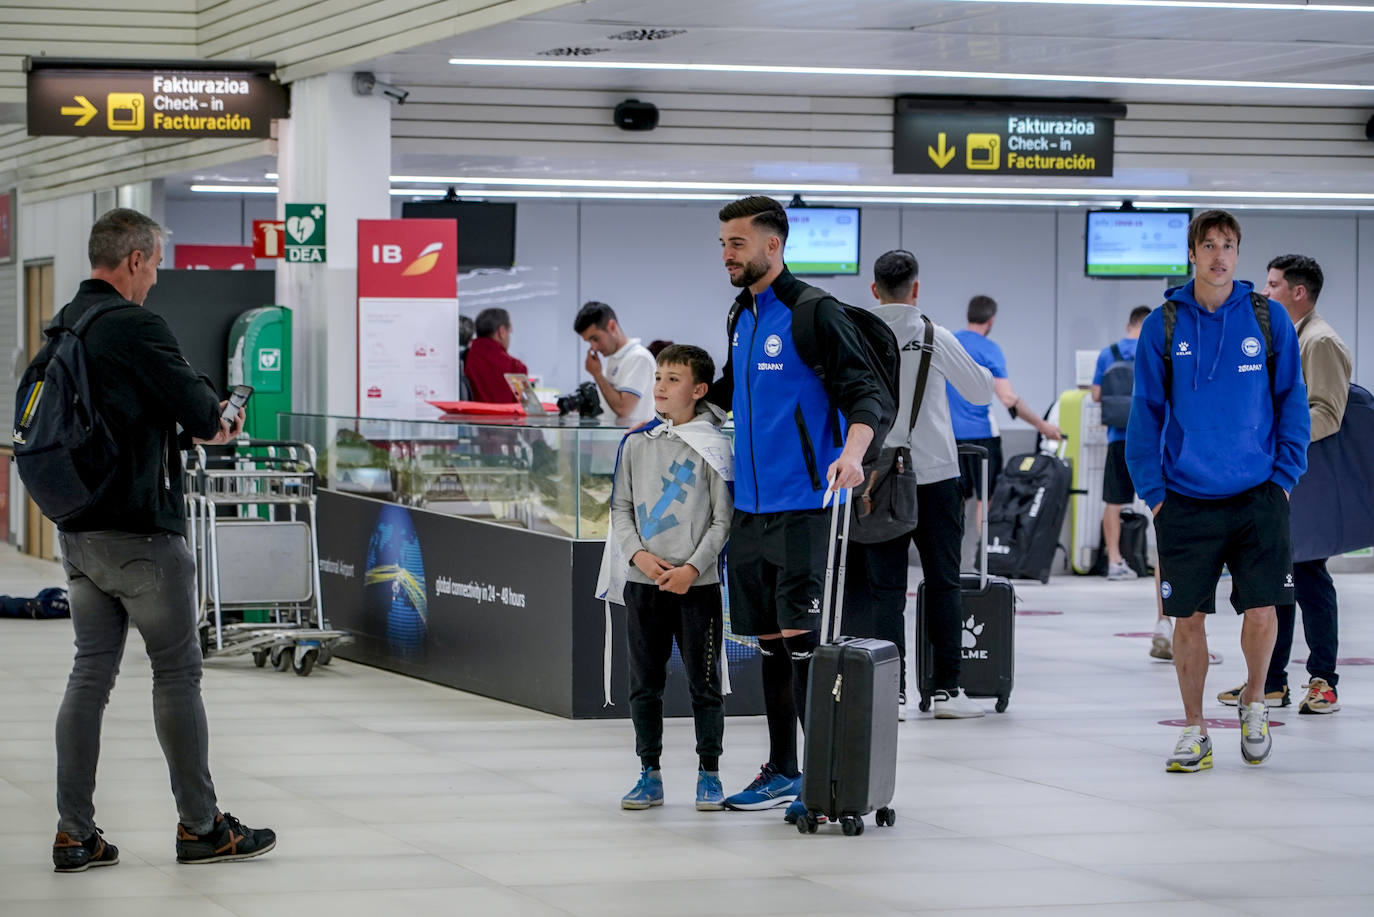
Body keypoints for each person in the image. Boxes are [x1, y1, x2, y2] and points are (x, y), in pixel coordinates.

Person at [49, 208, 275, 872]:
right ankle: (202, 826)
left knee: (89, 675)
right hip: (143, 533)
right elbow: (207, 419)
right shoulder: (136, 324)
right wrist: (223, 410)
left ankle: (75, 831)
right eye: (156, 262)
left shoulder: (65, 325)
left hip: (79, 532)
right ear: (137, 259)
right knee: (176, 673)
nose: (156, 277)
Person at [706, 196, 893, 823]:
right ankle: (783, 767)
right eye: (724, 243)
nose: (728, 254)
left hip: (805, 505)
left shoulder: (812, 312)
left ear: (772, 246)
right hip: (751, 508)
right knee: (769, 646)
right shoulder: (742, 313)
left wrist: (855, 454)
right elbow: (735, 391)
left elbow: (866, 392)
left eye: (738, 243)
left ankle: (825, 772)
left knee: (803, 643)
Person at [1126, 209, 1309, 773]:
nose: (1220, 255)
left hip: (1257, 494)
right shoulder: (1165, 324)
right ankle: (1195, 729)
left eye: (1229, 245)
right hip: (1184, 497)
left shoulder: (1268, 319)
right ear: (1192, 253)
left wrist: (1283, 480)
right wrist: (1155, 494)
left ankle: (1255, 700)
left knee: (1262, 610)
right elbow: (1145, 415)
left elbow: (1292, 404)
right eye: (1209, 245)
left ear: (1238, 253)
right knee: (1188, 620)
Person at [844, 250, 994, 720]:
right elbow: (981, 391)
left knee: (885, 591)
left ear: (874, 290)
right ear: (916, 288)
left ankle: (894, 692)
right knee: (944, 583)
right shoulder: (935, 335)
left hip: (876, 478)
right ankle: (946, 691)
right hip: (934, 476)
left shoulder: (855, 334)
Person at [1217, 254, 1350, 715]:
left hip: (1306, 478)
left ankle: (1323, 680)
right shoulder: (1286, 337)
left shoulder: (1320, 342)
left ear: (1297, 292)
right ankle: (1271, 681)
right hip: (1283, 477)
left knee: (1310, 577)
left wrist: (1273, 436)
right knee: (1281, 579)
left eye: (1272, 285)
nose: (1263, 292)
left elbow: (1328, 414)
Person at [606, 345, 732, 811]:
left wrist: (692, 568)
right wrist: (639, 555)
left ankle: (710, 773)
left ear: (699, 390)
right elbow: (620, 507)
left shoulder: (714, 447)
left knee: (704, 684)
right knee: (644, 682)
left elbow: (723, 519)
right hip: (644, 584)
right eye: (658, 376)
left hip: (696, 589)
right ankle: (649, 772)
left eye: (673, 378)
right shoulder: (638, 444)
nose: (660, 386)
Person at [948, 295, 1063, 523]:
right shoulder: (990, 349)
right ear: (990, 321)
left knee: (955, 499)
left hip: (949, 437)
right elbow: (1008, 398)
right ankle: (985, 557)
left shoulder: (948, 342)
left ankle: (950, 557)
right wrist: (1043, 426)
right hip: (982, 437)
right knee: (985, 499)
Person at [1092, 306, 1151, 582]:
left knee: (1113, 501)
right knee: (1162, 500)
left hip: (1118, 438)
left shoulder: (1108, 353)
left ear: (1129, 324)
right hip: (1150, 439)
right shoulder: (1152, 350)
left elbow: (1095, 395)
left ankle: (1114, 560)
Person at [574, 302, 656, 426]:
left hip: (633, 443)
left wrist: (597, 375)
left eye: (595, 339)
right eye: (589, 342)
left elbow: (623, 409)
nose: (594, 347)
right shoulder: (616, 358)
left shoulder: (638, 358)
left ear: (612, 327)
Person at [463, 307, 528, 403]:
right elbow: (526, 406)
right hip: (505, 418)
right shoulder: (516, 368)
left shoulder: (463, 359)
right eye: (509, 331)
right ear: (501, 332)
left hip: (465, 418)